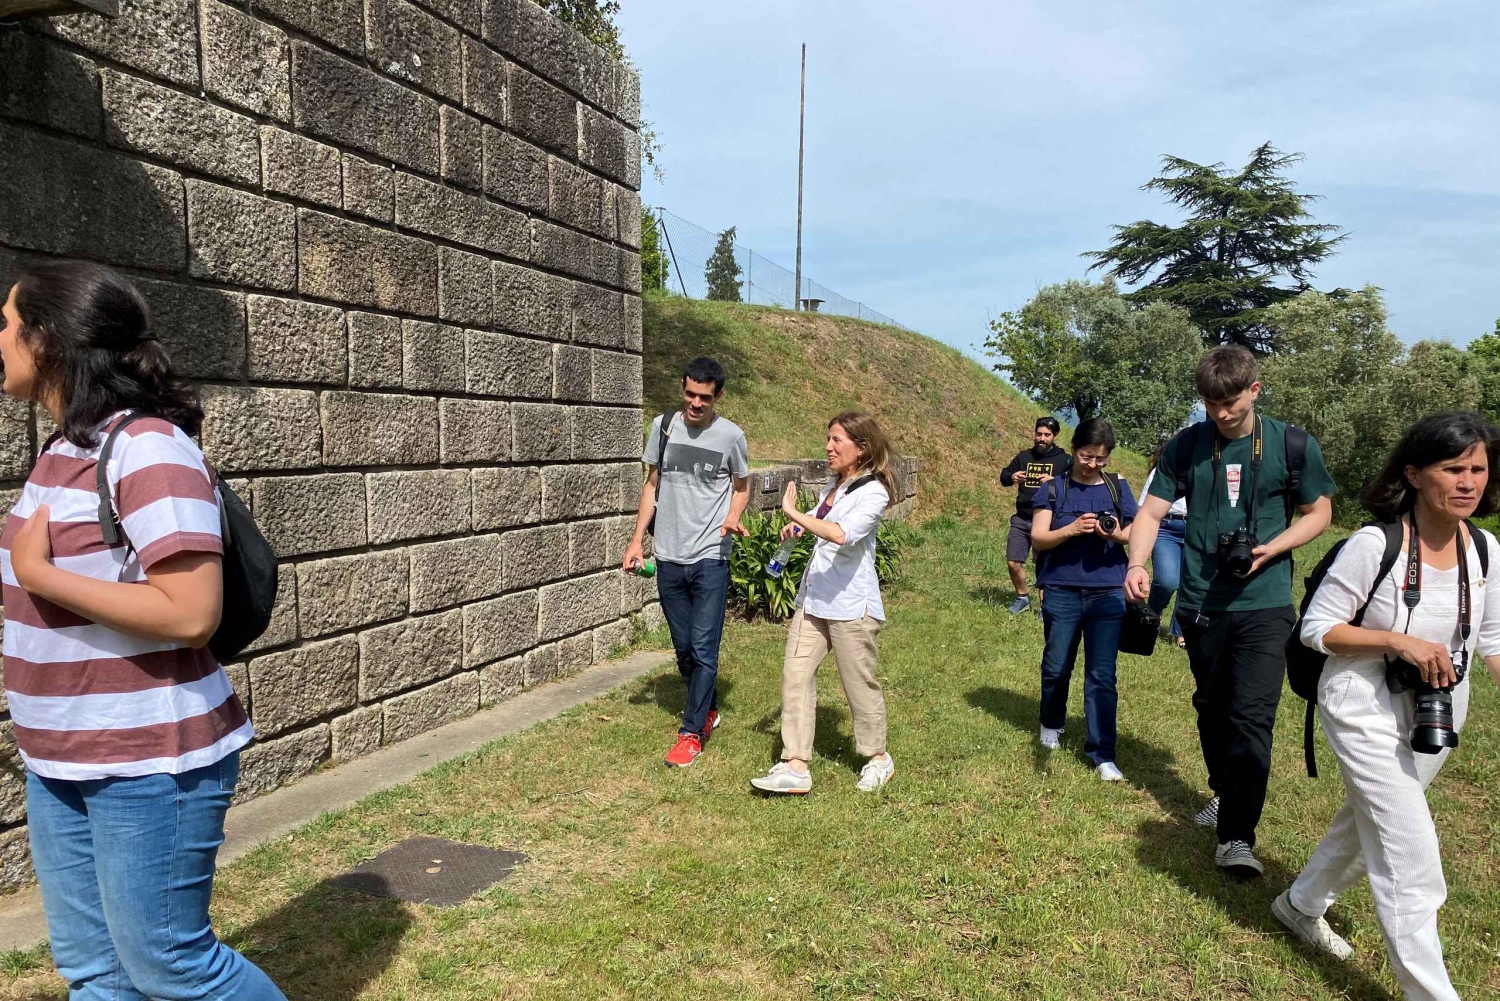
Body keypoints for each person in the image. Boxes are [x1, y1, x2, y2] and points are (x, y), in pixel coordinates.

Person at [0, 261, 285, 1000]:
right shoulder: (60, 452)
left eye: (7, 323)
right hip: (60, 758)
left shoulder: (147, 446)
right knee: (95, 971)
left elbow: (192, 611)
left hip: (148, 759)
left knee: (170, 961)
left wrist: (44, 577)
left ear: (48, 339)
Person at [1273, 412, 1500, 1001]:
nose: (1468, 481)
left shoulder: (1485, 550)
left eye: (1477, 468)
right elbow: (1317, 629)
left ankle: (1299, 906)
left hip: (1440, 708)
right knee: (1412, 854)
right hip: (1362, 701)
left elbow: (1491, 640)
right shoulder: (1377, 543)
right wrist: (1397, 640)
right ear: (1415, 474)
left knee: (1367, 820)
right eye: (1453, 469)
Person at [1125, 346, 1336, 876]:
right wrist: (1136, 561)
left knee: (1252, 719)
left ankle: (1237, 837)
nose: (1221, 414)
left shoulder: (1291, 445)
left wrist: (1275, 546)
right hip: (1200, 602)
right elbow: (1150, 512)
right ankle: (1224, 789)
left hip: (1265, 604)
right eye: (1211, 403)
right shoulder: (1187, 446)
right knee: (1212, 706)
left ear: (1255, 390)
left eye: (1232, 403)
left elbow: (1320, 512)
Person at [751, 412, 899, 795]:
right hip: (814, 599)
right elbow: (822, 522)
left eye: (837, 440)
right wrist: (799, 527)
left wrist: (794, 513)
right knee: (796, 676)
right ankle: (795, 765)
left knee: (857, 685)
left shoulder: (874, 492)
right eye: (828, 439)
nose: (828, 447)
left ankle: (878, 759)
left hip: (851, 605)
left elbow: (841, 534)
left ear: (861, 447)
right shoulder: (834, 485)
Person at [621, 357, 750, 768]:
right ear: (683, 388)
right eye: (690, 394)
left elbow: (742, 486)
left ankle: (691, 732)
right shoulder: (662, 427)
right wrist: (636, 540)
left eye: (705, 398)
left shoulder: (731, 436)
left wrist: (733, 516)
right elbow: (652, 485)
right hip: (669, 554)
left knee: (704, 647)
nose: (696, 403)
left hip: (711, 554)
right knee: (684, 649)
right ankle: (708, 707)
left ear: (718, 397)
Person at [1029, 418, 1136, 781]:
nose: (1092, 464)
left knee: (1102, 675)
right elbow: (1039, 537)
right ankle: (1051, 724)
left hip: (1108, 591)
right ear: (1074, 449)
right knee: (1057, 665)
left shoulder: (1118, 488)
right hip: (1061, 588)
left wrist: (1114, 533)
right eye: (1086, 456)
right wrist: (1072, 529)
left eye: (1100, 458)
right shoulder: (1054, 488)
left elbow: (1136, 532)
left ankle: (1103, 753)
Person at [998, 416, 1071, 613]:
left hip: (1049, 520)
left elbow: (1074, 485)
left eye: (1047, 435)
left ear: (1054, 436)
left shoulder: (1064, 460)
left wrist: (1055, 482)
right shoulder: (1024, 456)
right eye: (1039, 434)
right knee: (1013, 562)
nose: (1042, 438)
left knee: (1044, 565)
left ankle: (1044, 607)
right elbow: (1003, 475)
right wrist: (1012, 476)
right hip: (1022, 518)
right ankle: (1022, 597)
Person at [1141, 432, 1188, 649]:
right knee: (1167, 580)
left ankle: (1180, 632)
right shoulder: (1160, 472)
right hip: (1166, 527)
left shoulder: (1205, 471)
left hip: (1196, 528)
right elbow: (1144, 508)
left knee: (1190, 582)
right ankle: (1152, 612)